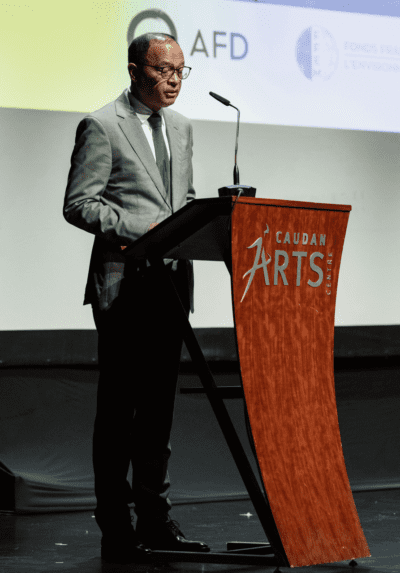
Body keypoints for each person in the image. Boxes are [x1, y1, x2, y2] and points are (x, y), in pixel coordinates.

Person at [63, 32, 210, 564]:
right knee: (119, 413)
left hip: (170, 287)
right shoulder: (102, 125)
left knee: (158, 414)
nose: (173, 80)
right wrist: (142, 230)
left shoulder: (182, 127)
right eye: (162, 70)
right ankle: (115, 522)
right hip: (125, 286)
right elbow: (79, 203)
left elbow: (183, 201)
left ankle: (155, 517)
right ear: (134, 70)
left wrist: (191, 227)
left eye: (180, 71)